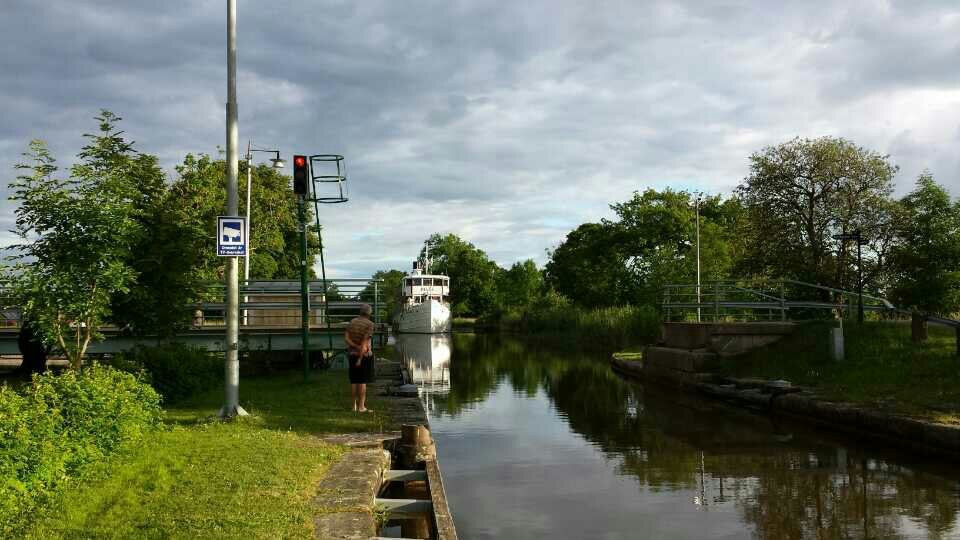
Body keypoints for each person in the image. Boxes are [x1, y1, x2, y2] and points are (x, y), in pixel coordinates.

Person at [344, 303, 375, 412]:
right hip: (363, 356)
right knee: (362, 381)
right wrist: (360, 358)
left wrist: (354, 346)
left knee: (353, 381)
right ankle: (361, 407)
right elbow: (365, 343)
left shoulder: (352, 322)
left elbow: (346, 339)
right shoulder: (370, 324)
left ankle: (353, 406)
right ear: (369, 313)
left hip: (351, 354)